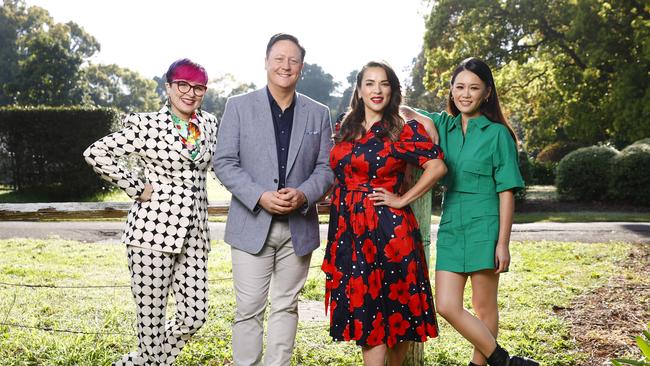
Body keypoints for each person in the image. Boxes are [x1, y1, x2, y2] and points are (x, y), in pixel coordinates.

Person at [401, 57, 539, 366]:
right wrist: (404, 110)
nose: (465, 94)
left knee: (483, 306)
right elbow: (405, 113)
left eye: (473, 88)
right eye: (459, 87)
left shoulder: (498, 134)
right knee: (446, 305)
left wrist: (502, 243)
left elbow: (506, 193)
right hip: (451, 223)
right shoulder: (444, 125)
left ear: (487, 93)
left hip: (486, 224)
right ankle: (504, 361)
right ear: (450, 90)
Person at [83, 59, 217, 366]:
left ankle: (132, 363)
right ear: (168, 87)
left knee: (194, 316)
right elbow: (96, 152)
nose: (190, 92)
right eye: (182, 84)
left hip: (195, 237)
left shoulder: (208, 123)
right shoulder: (147, 125)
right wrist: (135, 186)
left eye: (198, 87)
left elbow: (218, 167)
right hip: (150, 235)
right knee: (151, 326)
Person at [213, 33, 334, 366]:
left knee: (286, 306)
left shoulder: (318, 113)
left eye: (293, 60)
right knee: (248, 309)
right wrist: (259, 196)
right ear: (266, 62)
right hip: (251, 226)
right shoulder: (238, 106)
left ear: (301, 67)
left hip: (298, 228)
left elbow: (326, 168)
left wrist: (304, 194)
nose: (286, 65)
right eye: (279, 58)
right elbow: (223, 161)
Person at [322, 61, 447, 366]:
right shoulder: (345, 126)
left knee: (395, 313)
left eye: (384, 83)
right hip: (349, 232)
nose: (377, 90)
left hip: (388, 230)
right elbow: (339, 169)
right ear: (359, 89)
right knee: (366, 311)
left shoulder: (399, 130)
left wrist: (403, 199)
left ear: (393, 90)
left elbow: (438, 166)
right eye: (369, 83)